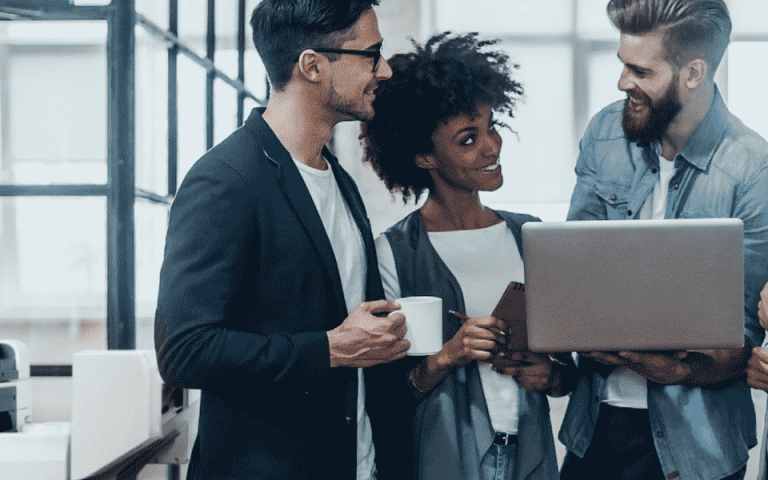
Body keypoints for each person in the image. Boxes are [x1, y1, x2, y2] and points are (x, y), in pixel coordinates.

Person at [153, 1, 410, 479]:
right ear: (313, 65)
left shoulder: (339, 179)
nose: (386, 69)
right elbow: (184, 352)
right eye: (371, 54)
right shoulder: (225, 180)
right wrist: (330, 348)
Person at [559, 0, 768, 479]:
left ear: (693, 72)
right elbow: (570, 269)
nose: (622, 83)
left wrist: (679, 370)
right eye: (621, 64)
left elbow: (743, 332)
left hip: (701, 443)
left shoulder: (753, 169)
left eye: (640, 70)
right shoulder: (604, 134)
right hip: (596, 427)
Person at [360, 32, 577, 480]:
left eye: (492, 127)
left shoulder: (529, 235)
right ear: (423, 156)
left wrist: (550, 376)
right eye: (467, 139)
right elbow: (384, 394)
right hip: (440, 460)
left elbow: (567, 371)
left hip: (530, 454)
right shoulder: (394, 252)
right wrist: (449, 354)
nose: (492, 146)